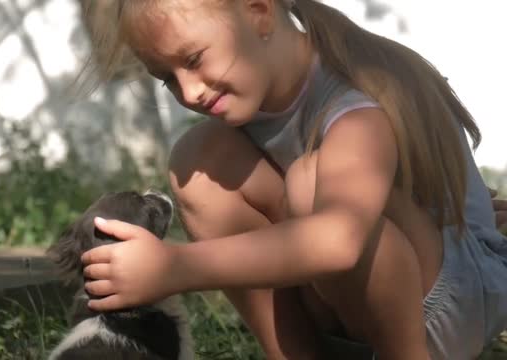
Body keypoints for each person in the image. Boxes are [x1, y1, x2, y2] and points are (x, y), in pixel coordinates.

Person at [78, 0, 507, 358]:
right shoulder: (254, 91)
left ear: (260, 12)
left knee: (310, 181)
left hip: (452, 304)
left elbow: (338, 240)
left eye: (193, 59)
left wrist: (176, 266)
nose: (189, 92)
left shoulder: (351, 100)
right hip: (360, 298)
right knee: (198, 159)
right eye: (168, 78)